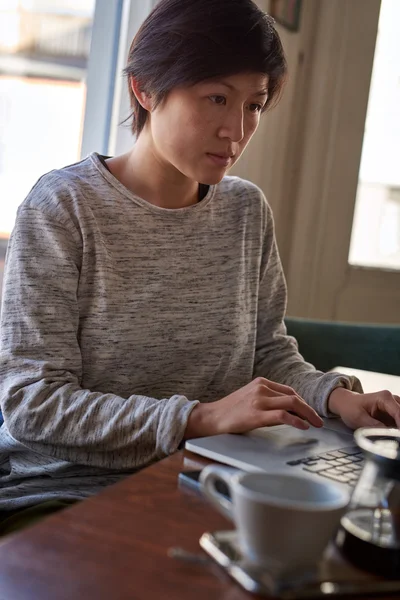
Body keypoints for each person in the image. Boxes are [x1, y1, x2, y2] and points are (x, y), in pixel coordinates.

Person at [0, 0, 399, 536]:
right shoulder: (63, 208)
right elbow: (33, 404)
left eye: (255, 104)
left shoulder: (245, 210)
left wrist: (339, 398)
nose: (236, 129)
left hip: (216, 475)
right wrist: (199, 418)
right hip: (72, 490)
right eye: (216, 97)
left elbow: (267, 354)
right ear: (144, 89)